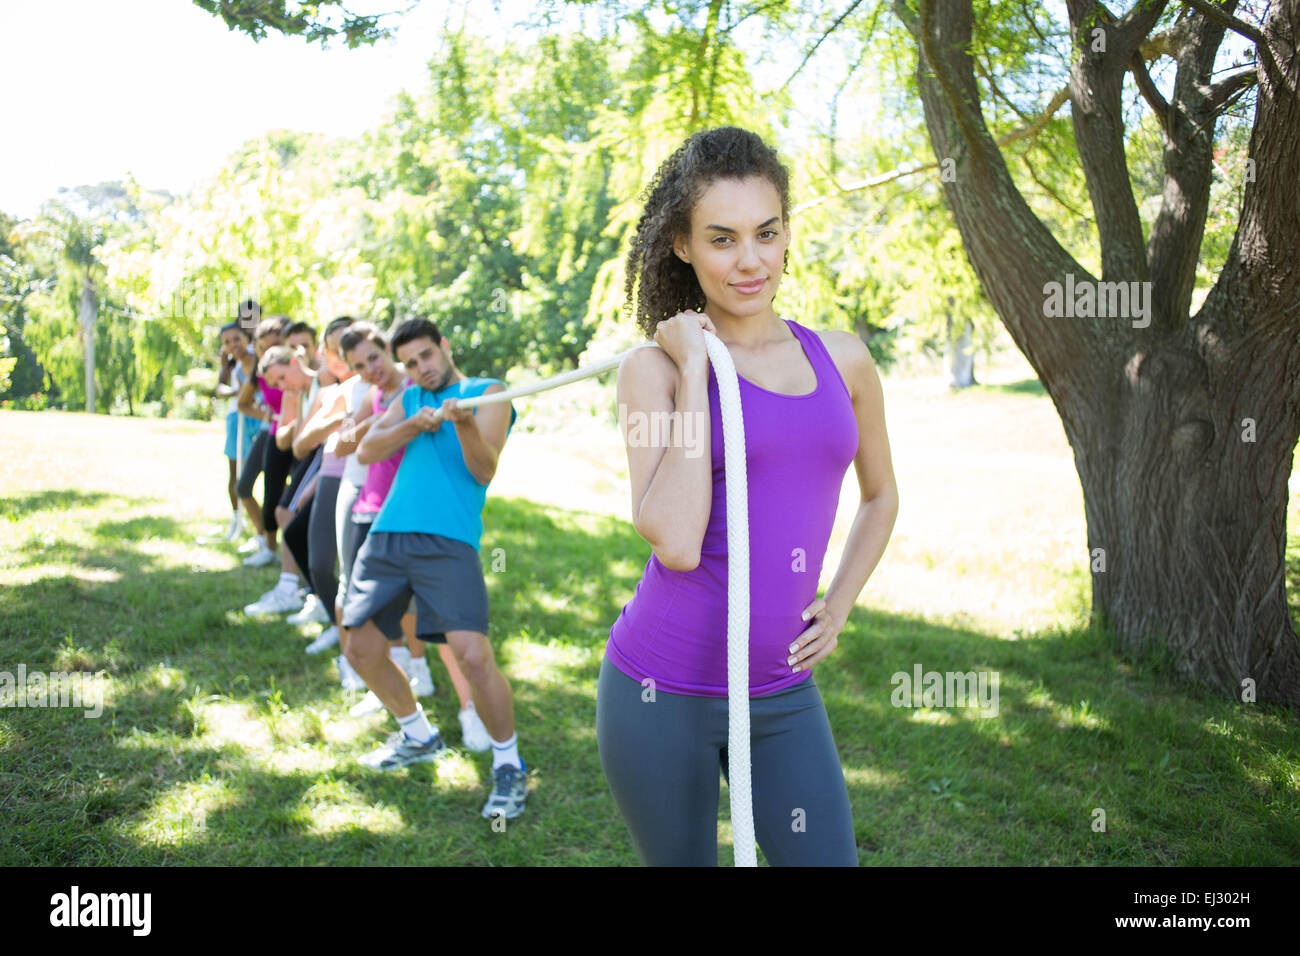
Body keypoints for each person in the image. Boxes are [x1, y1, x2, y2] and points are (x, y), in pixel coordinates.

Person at [598, 126, 899, 865]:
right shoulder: (652, 372)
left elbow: (881, 495)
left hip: (781, 690)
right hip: (660, 692)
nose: (750, 261)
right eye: (722, 239)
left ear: (787, 232)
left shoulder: (843, 359)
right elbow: (674, 541)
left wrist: (839, 604)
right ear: (682, 245)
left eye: (766, 233)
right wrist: (696, 372)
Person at [343, 317, 523, 818]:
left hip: (449, 539)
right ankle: (418, 735)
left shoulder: (488, 392)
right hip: (388, 532)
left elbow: (483, 471)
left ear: (444, 346)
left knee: (472, 656)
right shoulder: (410, 399)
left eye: (426, 355)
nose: (420, 368)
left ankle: (509, 765)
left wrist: (462, 422)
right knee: (360, 649)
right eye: (410, 362)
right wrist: (412, 425)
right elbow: (366, 448)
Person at [335, 322, 490, 748]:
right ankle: (409, 702)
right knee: (377, 624)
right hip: (380, 514)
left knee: (446, 630)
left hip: (428, 522)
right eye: (359, 366)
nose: (371, 369)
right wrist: (384, 424)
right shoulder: (381, 397)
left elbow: (475, 465)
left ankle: (471, 712)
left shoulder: (427, 388)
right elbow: (350, 446)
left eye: (374, 358)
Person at [215, 322, 265, 541]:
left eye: (236, 339)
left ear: (247, 338)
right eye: (227, 342)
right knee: (238, 477)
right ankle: (245, 524)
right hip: (241, 419)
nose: (233, 345)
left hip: (262, 421)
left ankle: (267, 533)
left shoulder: (260, 360)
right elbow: (221, 388)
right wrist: (240, 392)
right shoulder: (234, 368)